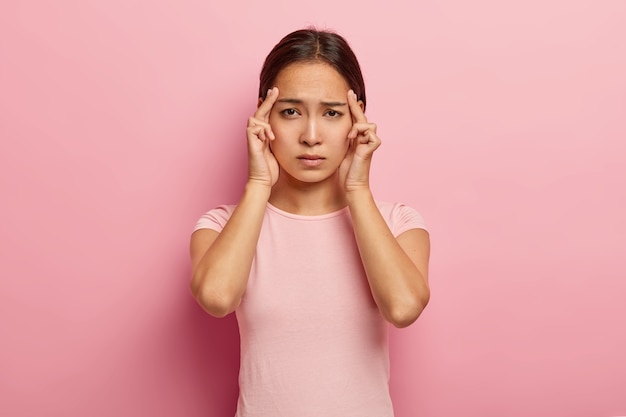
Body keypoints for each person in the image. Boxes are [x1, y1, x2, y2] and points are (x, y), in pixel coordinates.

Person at [190, 28, 430, 417]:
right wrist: (257, 184)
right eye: (290, 112)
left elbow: (403, 308)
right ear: (262, 117)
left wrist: (357, 190)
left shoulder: (398, 222)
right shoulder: (221, 226)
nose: (312, 136)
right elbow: (217, 299)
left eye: (332, 113)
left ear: (357, 119)